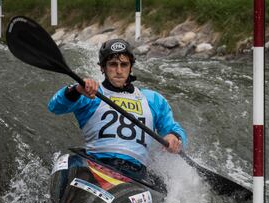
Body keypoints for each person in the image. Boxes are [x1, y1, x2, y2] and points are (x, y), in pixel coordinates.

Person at [48, 38, 187, 181]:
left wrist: (174, 137)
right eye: (113, 64)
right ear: (103, 67)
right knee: (65, 161)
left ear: (131, 67)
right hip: (95, 165)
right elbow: (55, 107)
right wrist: (76, 90)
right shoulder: (89, 92)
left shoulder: (153, 99)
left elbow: (173, 128)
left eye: (124, 64)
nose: (119, 71)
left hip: (135, 174)